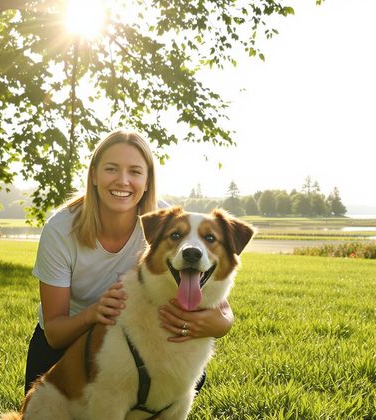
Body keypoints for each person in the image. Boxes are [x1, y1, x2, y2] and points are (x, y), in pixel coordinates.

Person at [25, 129, 236, 397]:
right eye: (111, 169)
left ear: (147, 180)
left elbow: (223, 311)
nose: (123, 181)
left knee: (180, 378)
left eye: (135, 172)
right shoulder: (60, 228)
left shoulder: (165, 223)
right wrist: (94, 313)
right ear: (94, 175)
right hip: (63, 348)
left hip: (126, 336)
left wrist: (221, 324)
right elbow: (54, 332)